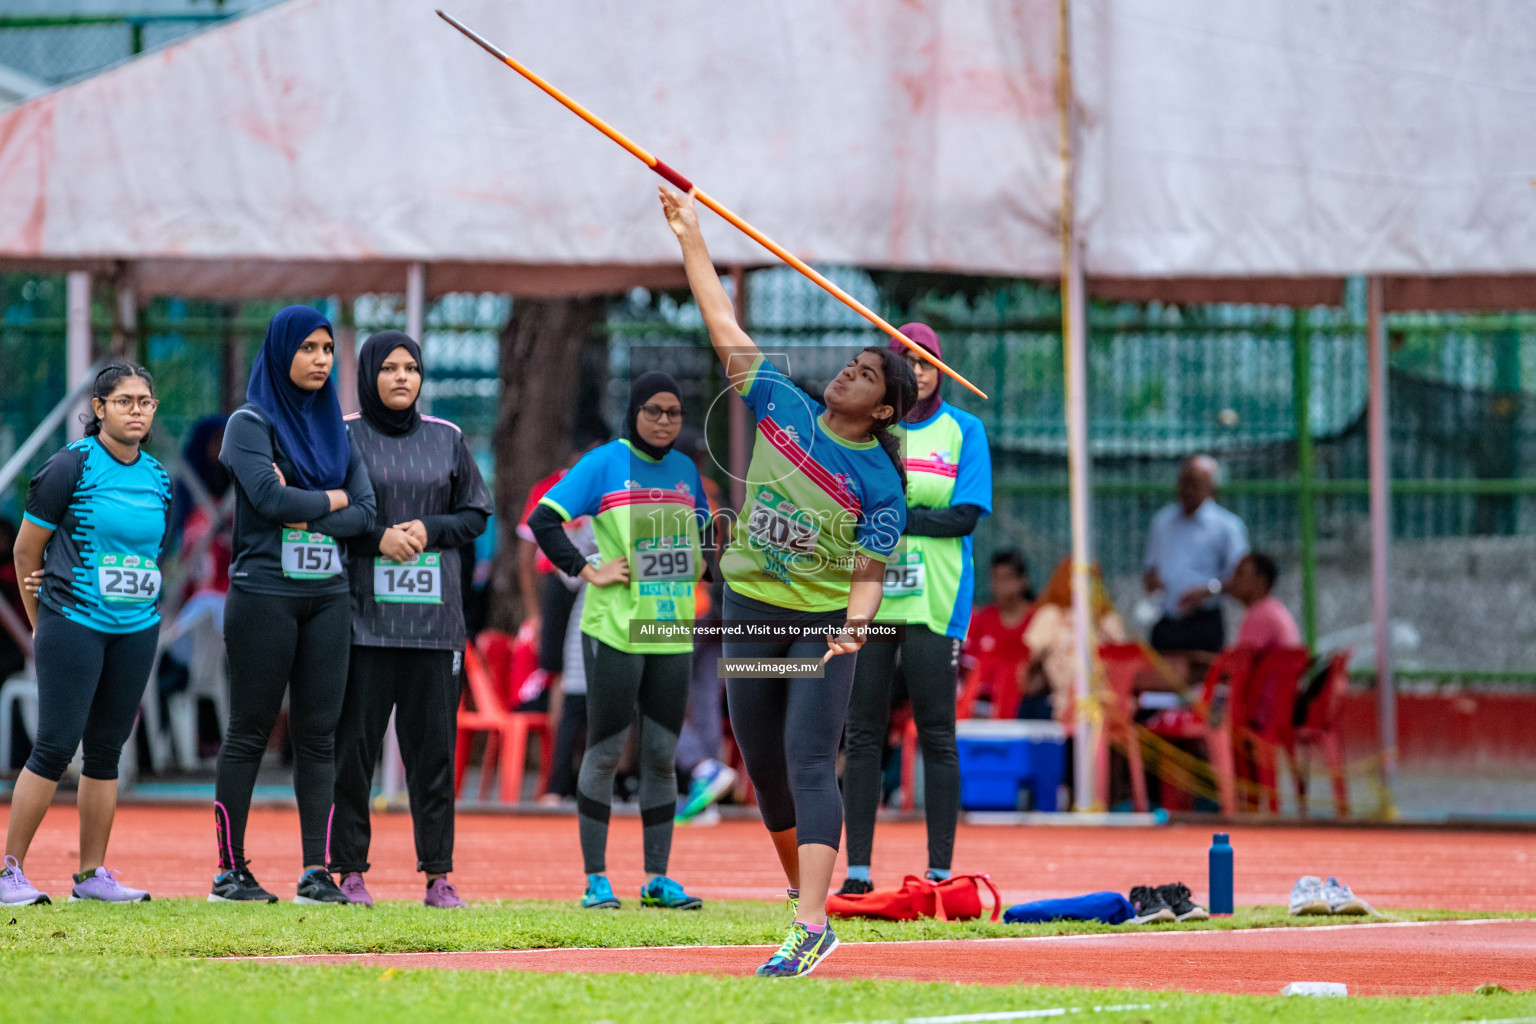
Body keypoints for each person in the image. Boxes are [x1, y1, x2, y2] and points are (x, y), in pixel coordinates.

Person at [660, 184, 913, 978]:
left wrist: (855, 624)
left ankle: (809, 922)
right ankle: (808, 909)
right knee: (762, 765)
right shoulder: (781, 404)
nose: (848, 373)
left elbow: (869, 572)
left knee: (809, 756)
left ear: (883, 409)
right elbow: (722, 325)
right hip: (748, 610)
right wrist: (691, 237)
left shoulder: (881, 483)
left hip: (819, 623)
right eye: (851, 363)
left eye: (867, 374)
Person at [211, 305, 377, 904]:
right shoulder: (248, 424)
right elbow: (266, 499)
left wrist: (313, 501)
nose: (319, 360)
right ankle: (229, 872)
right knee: (249, 732)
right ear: (281, 352)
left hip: (327, 598)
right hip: (263, 595)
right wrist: (333, 499)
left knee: (319, 736)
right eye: (307, 348)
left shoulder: (338, 428)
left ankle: (317, 872)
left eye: (327, 350)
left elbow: (366, 514)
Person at [529, 371, 710, 913]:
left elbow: (700, 541)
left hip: (669, 629)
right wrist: (589, 568)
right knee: (606, 750)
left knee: (659, 754)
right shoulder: (604, 463)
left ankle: (658, 878)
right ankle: (596, 880)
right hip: (615, 629)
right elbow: (544, 520)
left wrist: (701, 560)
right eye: (653, 410)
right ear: (633, 412)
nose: (663, 421)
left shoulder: (685, 472)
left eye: (673, 413)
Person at [328, 331, 493, 909]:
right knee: (354, 752)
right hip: (361, 623)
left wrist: (430, 529)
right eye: (390, 368)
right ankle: (348, 871)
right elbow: (325, 512)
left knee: (434, 756)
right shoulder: (342, 435)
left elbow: (475, 513)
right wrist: (377, 538)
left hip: (434, 627)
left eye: (412, 368)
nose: (402, 377)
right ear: (369, 373)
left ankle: (439, 875)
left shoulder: (446, 438)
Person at [2, 363, 171, 906]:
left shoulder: (158, 478)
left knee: (106, 752)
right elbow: (26, 551)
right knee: (54, 746)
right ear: (99, 408)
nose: (137, 410)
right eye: (124, 401)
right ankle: (9, 872)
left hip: (137, 627)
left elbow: (148, 553)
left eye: (145, 401)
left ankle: (91, 877)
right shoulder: (69, 467)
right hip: (71, 623)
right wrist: (43, 624)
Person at [842, 323, 992, 895]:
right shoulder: (867, 429)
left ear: (942, 371)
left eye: (929, 363)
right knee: (861, 730)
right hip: (870, 596)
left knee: (936, 731)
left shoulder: (964, 431)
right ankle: (857, 868)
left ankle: (939, 870)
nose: (920, 371)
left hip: (935, 600)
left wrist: (897, 517)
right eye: (909, 362)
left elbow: (965, 516)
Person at [672, 427, 736, 825]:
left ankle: (700, 768)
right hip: (717, 609)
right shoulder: (712, 495)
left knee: (651, 696)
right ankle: (707, 793)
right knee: (706, 698)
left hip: (681, 608)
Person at [1143, 455, 1249, 653]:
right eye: (1183, 481)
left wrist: (1208, 590)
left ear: (1211, 489)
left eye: (1194, 483)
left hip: (1204, 622)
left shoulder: (1227, 527)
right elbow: (1151, 568)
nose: (1186, 489)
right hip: (1167, 619)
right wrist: (1153, 582)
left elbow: (1241, 578)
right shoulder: (1163, 522)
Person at [963, 550, 1038, 720]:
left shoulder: (1038, 619)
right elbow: (970, 672)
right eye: (996, 578)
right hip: (982, 708)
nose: (1001, 585)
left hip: (1026, 705)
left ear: (1023, 580)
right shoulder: (983, 619)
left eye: (1007, 578)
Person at [1228, 552, 1300, 654]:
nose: (1232, 580)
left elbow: (1241, 663)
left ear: (1261, 581)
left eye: (1240, 574)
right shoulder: (1272, 608)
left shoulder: (1260, 615)